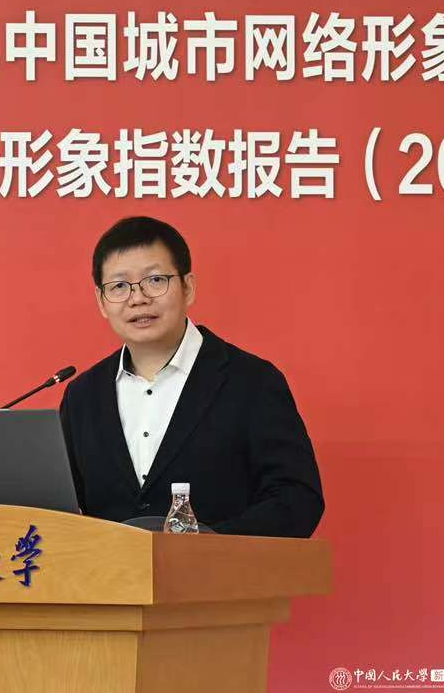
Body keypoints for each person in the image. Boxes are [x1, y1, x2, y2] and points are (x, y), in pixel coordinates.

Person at [58, 215, 324, 538]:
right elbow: (60, 509)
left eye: (155, 280)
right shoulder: (83, 396)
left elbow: (297, 498)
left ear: (188, 288)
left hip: (224, 571)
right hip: (110, 572)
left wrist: (209, 548)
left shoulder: (252, 382)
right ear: (101, 302)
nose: (138, 298)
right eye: (119, 286)